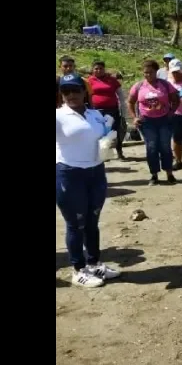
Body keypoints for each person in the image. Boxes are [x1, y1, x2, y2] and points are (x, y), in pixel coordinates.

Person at [56, 74, 121, 288]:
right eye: (66, 91)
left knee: (92, 221)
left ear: (85, 92)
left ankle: (94, 264)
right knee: (75, 223)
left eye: (75, 90)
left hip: (96, 172)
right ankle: (78, 270)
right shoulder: (58, 116)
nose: (71, 95)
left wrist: (110, 136)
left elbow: (105, 136)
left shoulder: (95, 115)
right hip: (69, 173)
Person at [127, 60, 180, 185]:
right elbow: (130, 102)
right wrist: (134, 117)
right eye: (145, 73)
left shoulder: (165, 85)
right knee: (151, 148)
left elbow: (175, 99)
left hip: (164, 120)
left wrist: (171, 113)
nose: (148, 75)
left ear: (156, 72)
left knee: (165, 146)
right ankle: (154, 175)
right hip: (146, 122)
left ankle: (169, 173)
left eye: (150, 72)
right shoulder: (139, 86)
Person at [87, 60, 125, 160]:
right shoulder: (89, 81)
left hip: (112, 110)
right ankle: (103, 153)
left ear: (104, 69)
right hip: (96, 110)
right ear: (92, 70)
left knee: (114, 131)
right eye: (96, 69)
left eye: (101, 68)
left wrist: (123, 109)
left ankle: (119, 152)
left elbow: (120, 94)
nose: (99, 70)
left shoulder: (112, 80)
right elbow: (86, 95)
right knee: (99, 132)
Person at [167, 59, 182, 171]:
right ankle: (178, 161)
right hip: (176, 114)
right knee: (176, 139)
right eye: (173, 72)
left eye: (177, 71)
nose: (175, 74)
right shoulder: (169, 83)